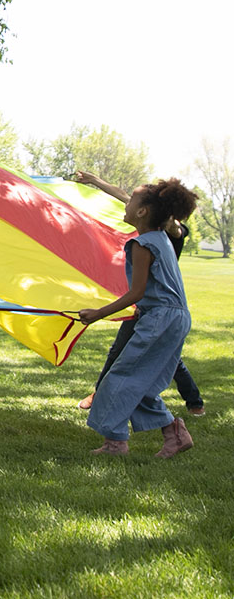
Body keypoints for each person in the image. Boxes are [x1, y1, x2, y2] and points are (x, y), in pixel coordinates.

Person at [78, 178, 199, 457]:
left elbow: (137, 292)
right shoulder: (161, 239)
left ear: (143, 211)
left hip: (161, 318)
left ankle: (115, 443)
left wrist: (97, 314)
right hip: (175, 317)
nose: (127, 204)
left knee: (119, 377)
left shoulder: (142, 244)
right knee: (140, 381)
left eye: (131, 200)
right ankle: (174, 433)